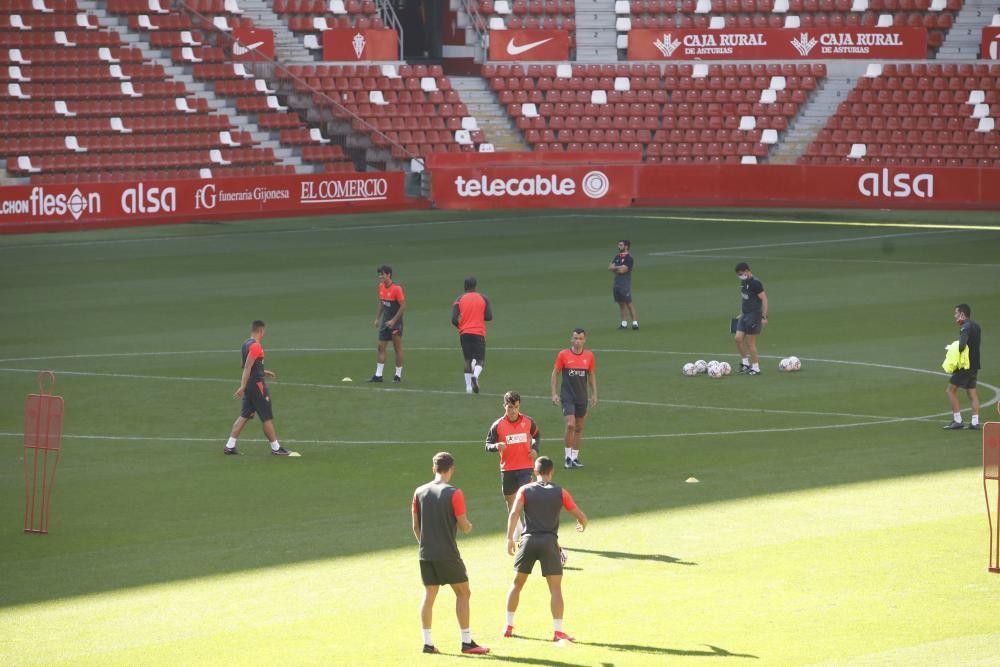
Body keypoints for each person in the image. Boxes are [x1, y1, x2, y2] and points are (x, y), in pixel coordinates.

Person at [412, 452, 490, 655]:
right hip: (447, 552)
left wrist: (426, 544)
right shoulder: (454, 493)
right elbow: (464, 526)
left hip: (425, 553)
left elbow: (415, 526)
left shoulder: (419, 491)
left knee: (429, 594)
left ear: (433, 468)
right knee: (463, 593)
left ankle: (427, 643)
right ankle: (466, 643)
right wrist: (470, 526)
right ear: (451, 469)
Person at [503, 456, 588, 642]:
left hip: (528, 540)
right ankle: (558, 631)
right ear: (552, 472)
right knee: (555, 588)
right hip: (549, 542)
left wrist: (510, 538)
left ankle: (508, 626)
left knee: (517, 584)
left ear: (535, 471)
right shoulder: (560, 492)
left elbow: (514, 513)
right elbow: (580, 515)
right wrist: (582, 523)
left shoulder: (524, 490)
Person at [225, 320, 290, 456]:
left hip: (251, 384)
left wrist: (263, 371)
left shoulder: (246, 344)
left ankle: (230, 446)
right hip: (256, 386)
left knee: (245, 415)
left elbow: (249, 365)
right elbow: (247, 367)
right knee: (266, 417)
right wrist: (242, 386)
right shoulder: (255, 346)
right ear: (261, 331)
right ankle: (276, 448)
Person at [485, 391, 540, 542]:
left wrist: (535, 449)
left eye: (515, 407)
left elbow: (536, 435)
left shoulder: (528, 422)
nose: (513, 411)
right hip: (507, 469)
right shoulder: (498, 425)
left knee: (528, 498)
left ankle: (531, 530)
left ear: (519, 406)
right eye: (510, 407)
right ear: (504, 406)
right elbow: (487, 445)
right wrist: (496, 446)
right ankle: (517, 528)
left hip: (525, 467)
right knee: (510, 501)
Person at [551, 328, 597, 469]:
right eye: (575, 338)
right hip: (567, 396)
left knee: (579, 427)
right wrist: (554, 393)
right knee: (570, 424)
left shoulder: (589, 356)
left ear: (584, 340)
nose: (578, 341)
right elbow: (555, 373)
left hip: (582, 397)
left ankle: (575, 458)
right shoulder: (563, 355)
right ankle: (567, 457)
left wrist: (595, 393)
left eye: (580, 338)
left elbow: (591, 375)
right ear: (572, 339)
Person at [944, 303, 982, 430]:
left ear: (962, 314)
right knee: (972, 393)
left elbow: (962, 345)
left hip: (966, 366)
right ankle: (975, 422)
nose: (955, 316)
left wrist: (952, 349)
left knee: (950, 390)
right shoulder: (976, 326)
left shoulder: (965, 327)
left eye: (956, 313)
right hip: (975, 365)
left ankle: (957, 420)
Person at [452, 276, 493, 394]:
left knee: (467, 360)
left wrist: (461, 327)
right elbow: (489, 317)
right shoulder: (483, 298)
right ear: (475, 286)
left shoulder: (459, 299)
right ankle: (475, 376)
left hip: (464, 333)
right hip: (478, 332)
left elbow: (454, 319)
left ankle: (468, 388)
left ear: (465, 286)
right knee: (480, 360)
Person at [370, 265, 406, 383]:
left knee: (397, 348)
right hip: (385, 322)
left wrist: (393, 321)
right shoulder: (381, 287)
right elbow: (382, 303)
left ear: (388, 274)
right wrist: (377, 318)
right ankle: (378, 375)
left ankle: (398, 376)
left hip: (396, 323)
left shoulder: (397, 289)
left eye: (382, 274)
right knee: (381, 347)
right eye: (379, 274)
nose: (380, 276)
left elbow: (403, 306)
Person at [733, 262, 768, 376]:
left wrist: (764, 316)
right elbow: (745, 299)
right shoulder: (744, 282)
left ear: (747, 271)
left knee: (750, 343)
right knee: (738, 338)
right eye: (738, 274)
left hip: (754, 315)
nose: (740, 276)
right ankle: (745, 364)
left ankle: (756, 367)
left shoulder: (755, 283)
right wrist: (741, 313)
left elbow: (764, 299)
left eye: (741, 273)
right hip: (745, 315)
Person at [609, 239, 638, 330]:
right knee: (621, 303)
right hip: (617, 282)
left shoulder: (629, 258)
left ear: (626, 246)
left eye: (621, 245)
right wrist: (618, 267)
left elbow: (623, 270)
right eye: (618, 245)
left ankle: (635, 322)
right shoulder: (617, 256)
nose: (619, 246)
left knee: (628, 302)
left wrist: (616, 268)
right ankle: (624, 323)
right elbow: (610, 267)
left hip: (625, 282)